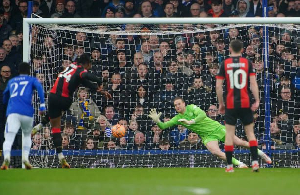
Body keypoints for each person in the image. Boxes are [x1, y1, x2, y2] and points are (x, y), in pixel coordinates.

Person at [148, 97, 271, 169]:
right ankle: (240, 164)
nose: (177, 106)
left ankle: (261, 154)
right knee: (215, 152)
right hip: (207, 136)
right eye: (175, 105)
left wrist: (191, 121)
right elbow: (164, 126)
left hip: (216, 128)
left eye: (179, 104)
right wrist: (157, 121)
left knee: (239, 142)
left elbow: (202, 115)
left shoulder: (192, 107)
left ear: (184, 104)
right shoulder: (177, 118)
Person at [47, 53, 110, 168]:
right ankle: (42, 126)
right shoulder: (81, 70)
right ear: (88, 64)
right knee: (56, 121)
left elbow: (83, 80)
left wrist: (97, 89)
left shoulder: (71, 66)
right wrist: (100, 82)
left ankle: (41, 127)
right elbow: (86, 76)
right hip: (64, 99)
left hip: (51, 95)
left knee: (54, 124)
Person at [216, 39, 261, 172]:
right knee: (250, 133)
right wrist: (257, 100)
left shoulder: (224, 63)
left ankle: (229, 166)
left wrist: (221, 103)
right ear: (242, 50)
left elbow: (219, 86)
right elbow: (253, 83)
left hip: (230, 104)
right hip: (245, 102)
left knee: (229, 134)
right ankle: (255, 162)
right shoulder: (247, 63)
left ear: (229, 49)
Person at [1, 62, 46, 170]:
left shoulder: (11, 81)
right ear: (29, 71)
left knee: (9, 136)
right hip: (27, 112)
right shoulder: (32, 80)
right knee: (26, 135)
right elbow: (39, 87)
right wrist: (42, 105)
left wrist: (6, 102)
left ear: (18, 71)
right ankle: (25, 158)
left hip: (13, 112)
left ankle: (6, 157)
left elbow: (5, 95)